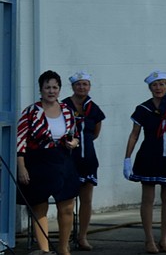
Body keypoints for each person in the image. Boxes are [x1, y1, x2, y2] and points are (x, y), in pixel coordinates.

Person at [124, 71, 166, 254]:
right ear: (150, 88)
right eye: (155, 85)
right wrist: (127, 157)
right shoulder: (142, 109)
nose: (158, 88)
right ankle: (149, 240)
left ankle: (164, 239)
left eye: (162, 84)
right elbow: (134, 134)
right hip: (149, 156)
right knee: (148, 199)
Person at [16, 70, 80, 255]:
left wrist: (74, 143)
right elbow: (20, 140)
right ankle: (44, 250)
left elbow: (75, 135)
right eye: (47, 87)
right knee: (39, 207)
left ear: (59, 90)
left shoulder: (67, 111)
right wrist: (22, 167)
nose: (51, 91)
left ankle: (63, 247)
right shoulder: (30, 112)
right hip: (37, 162)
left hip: (63, 161)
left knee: (67, 206)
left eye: (55, 87)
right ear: (40, 89)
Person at [62, 71, 106, 251]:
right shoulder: (63, 105)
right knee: (67, 200)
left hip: (88, 158)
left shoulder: (94, 108)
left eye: (85, 84)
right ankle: (65, 238)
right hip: (68, 159)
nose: (82, 87)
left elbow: (95, 133)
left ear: (89, 87)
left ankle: (82, 237)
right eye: (79, 84)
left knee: (86, 200)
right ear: (73, 86)